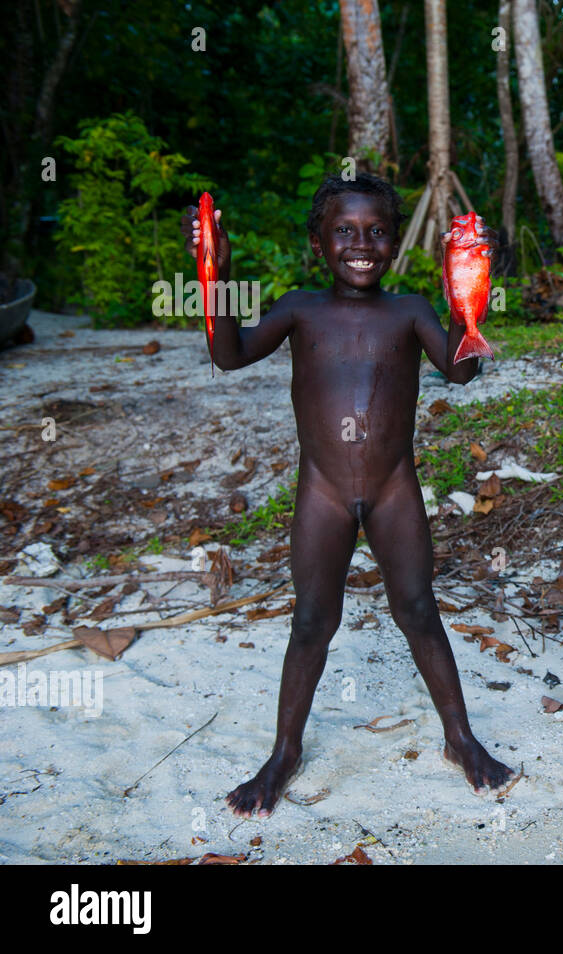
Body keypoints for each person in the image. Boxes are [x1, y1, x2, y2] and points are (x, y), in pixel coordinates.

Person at [183, 173, 514, 817]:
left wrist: (469, 284)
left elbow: (463, 366)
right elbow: (228, 354)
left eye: (376, 232)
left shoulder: (411, 310)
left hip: (394, 490)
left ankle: (460, 738)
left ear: (393, 245)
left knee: (418, 611)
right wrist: (214, 275)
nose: (361, 243)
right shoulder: (299, 308)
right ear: (318, 243)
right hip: (323, 493)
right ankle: (284, 752)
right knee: (312, 622)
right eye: (345, 231)